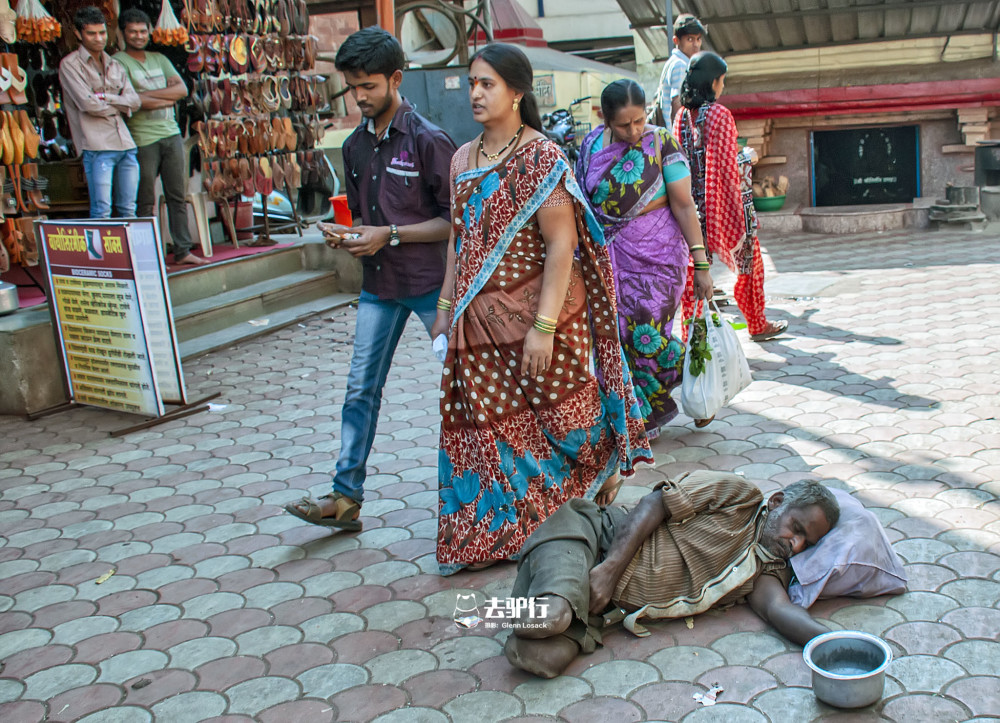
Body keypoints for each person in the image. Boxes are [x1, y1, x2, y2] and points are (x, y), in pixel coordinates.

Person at [431, 44, 653, 574]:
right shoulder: (462, 158)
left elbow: (561, 245)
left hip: (543, 315)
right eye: (472, 83)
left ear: (517, 92)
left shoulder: (542, 157)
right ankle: (499, 528)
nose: (477, 93)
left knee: (566, 416)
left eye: (487, 84)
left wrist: (543, 327)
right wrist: (445, 306)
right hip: (478, 322)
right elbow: (459, 241)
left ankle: (600, 471)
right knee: (487, 427)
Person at [284, 27, 457, 530]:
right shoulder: (356, 146)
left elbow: (455, 222)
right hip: (379, 286)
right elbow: (366, 222)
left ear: (396, 79)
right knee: (360, 388)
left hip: (431, 286)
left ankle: (480, 489)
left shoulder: (429, 139)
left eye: (369, 86)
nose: (359, 97)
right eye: (352, 87)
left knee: (461, 386)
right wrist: (347, 235)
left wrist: (390, 235)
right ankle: (345, 498)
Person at [504, 471, 840, 678]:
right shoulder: (740, 496)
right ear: (778, 501)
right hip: (592, 538)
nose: (794, 544)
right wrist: (608, 571)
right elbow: (655, 503)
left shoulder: (764, 569)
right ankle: (538, 608)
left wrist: (836, 644)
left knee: (543, 658)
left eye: (805, 543)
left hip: (602, 608)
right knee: (553, 618)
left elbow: (779, 610)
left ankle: (542, 604)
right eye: (795, 528)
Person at [577, 80, 713, 435]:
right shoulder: (591, 146)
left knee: (647, 336)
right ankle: (639, 416)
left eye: (639, 121)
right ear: (605, 120)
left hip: (658, 260)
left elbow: (684, 205)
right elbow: (582, 206)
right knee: (616, 338)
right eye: (624, 124)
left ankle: (695, 374)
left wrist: (701, 264)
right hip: (607, 260)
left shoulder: (661, 144)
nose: (634, 130)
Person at [674, 52, 787, 342]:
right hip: (724, 206)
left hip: (689, 211)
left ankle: (691, 339)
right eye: (722, 81)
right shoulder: (720, 115)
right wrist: (745, 158)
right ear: (713, 81)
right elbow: (725, 169)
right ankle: (757, 323)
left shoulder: (681, 117)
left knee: (694, 278)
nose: (723, 87)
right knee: (750, 263)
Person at [114, 8, 205, 266]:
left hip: (171, 134)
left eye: (143, 31)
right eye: (132, 31)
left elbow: (182, 90)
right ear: (123, 33)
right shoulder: (118, 62)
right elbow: (130, 100)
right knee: (145, 200)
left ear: (150, 32)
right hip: (142, 138)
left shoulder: (160, 58)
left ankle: (182, 250)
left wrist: (146, 98)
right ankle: (147, 255)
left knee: (177, 195)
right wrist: (161, 95)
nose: (138, 36)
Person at [59, 6, 141, 219]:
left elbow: (135, 101)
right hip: (97, 146)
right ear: (78, 34)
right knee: (102, 210)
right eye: (91, 33)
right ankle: (106, 254)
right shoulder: (70, 65)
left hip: (126, 144)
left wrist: (108, 98)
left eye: (102, 33)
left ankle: (128, 252)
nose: (98, 38)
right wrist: (120, 104)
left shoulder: (115, 64)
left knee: (129, 210)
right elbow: (89, 105)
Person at [655, 14, 705, 125]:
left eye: (698, 39)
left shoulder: (673, 61)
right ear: (676, 40)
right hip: (675, 134)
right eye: (690, 39)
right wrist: (679, 137)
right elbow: (677, 104)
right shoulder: (680, 65)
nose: (696, 44)